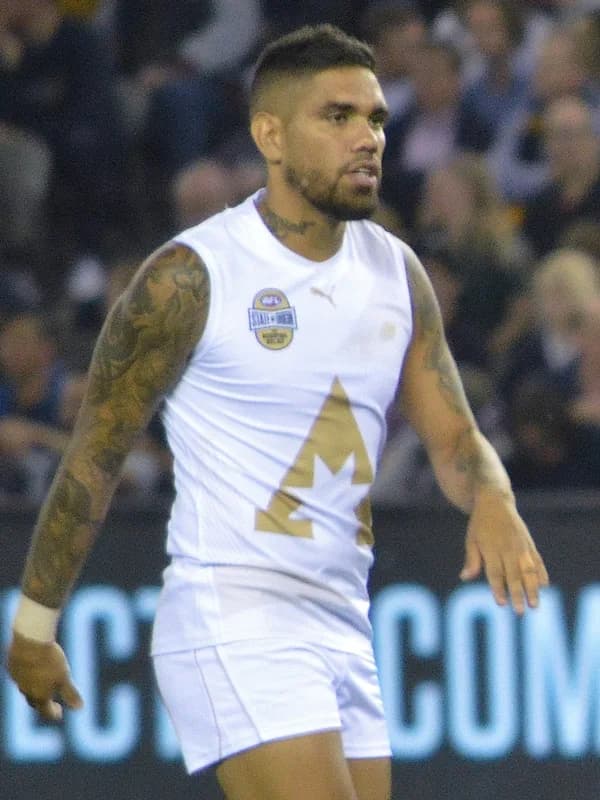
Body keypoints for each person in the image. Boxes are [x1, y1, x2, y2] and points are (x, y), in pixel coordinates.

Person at [5, 24, 548, 800]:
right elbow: (95, 455)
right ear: (271, 135)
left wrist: (493, 497)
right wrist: (33, 627)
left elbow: (456, 436)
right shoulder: (191, 276)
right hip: (235, 614)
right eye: (338, 116)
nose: (367, 138)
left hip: (342, 618)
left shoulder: (397, 272)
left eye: (376, 118)